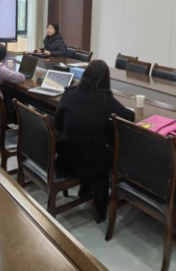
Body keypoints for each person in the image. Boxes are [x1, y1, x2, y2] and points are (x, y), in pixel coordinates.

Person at [54, 60, 135, 222]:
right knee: (106, 143)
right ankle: (95, 197)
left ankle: (85, 188)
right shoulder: (105, 99)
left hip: (65, 158)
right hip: (92, 165)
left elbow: (58, 124)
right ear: (105, 80)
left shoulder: (69, 93)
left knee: (90, 141)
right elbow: (129, 117)